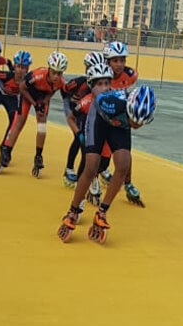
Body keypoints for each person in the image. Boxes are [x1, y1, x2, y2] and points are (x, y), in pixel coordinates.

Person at [57, 69, 155, 244]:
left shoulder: (139, 113)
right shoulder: (109, 102)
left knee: (123, 165)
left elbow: (127, 155)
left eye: (139, 123)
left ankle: (102, 212)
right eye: (134, 120)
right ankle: (73, 211)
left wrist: (128, 183)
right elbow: (91, 102)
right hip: (99, 118)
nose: (135, 125)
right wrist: (80, 134)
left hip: (119, 124)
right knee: (91, 166)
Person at [0, 51, 68, 177]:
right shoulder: (38, 75)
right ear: (49, 69)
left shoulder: (61, 82)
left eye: (60, 73)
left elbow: (52, 90)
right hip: (27, 93)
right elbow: (22, 88)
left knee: (42, 125)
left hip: (42, 97)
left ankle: (38, 156)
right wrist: (35, 104)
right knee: (20, 121)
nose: (56, 76)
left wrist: (44, 101)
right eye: (54, 72)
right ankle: (7, 150)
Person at [97, 42, 144, 205]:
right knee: (101, 157)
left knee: (126, 154)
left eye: (122, 60)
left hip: (121, 120)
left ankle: (128, 183)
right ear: (107, 61)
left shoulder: (130, 75)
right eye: (115, 60)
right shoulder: (102, 76)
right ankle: (96, 175)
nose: (119, 64)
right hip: (103, 119)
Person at [60, 52, 100, 187]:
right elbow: (64, 90)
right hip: (73, 108)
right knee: (79, 138)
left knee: (86, 142)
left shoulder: (98, 84)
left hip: (84, 110)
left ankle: (84, 173)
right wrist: (70, 103)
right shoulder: (78, 82)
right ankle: (69, 168)